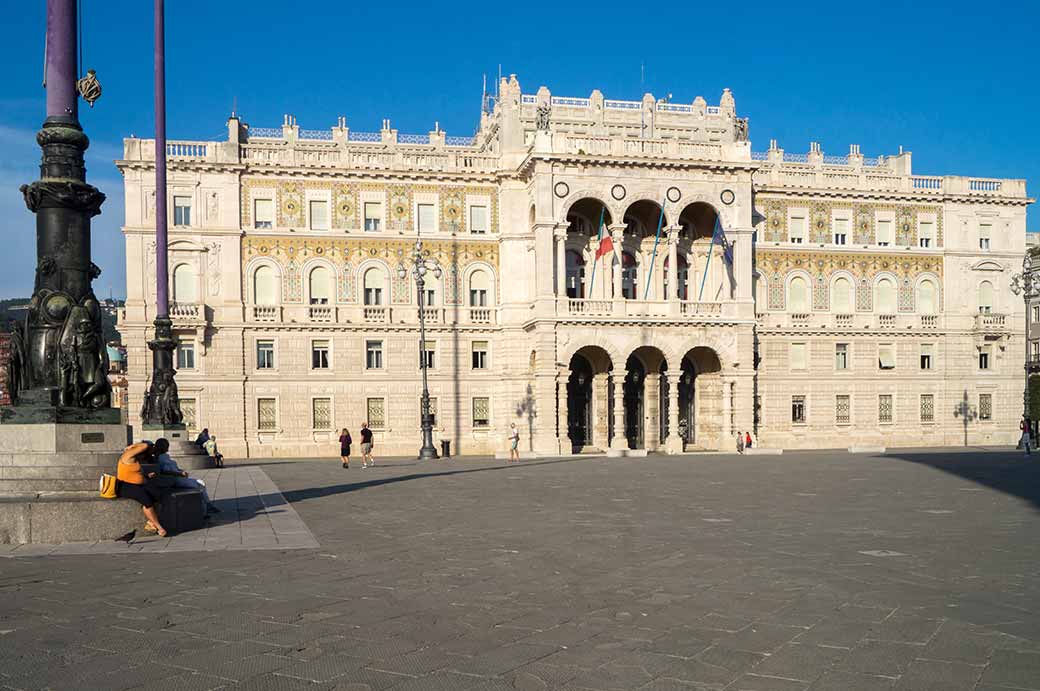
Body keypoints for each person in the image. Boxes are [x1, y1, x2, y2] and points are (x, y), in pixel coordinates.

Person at [154, 438, 220, 515]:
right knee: (200, 484)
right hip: (175, 480)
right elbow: (164, 471)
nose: (168, 447)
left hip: (178, 477)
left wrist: (181, 471)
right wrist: (180, 474)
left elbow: (172, 468)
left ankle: (206, 508)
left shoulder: (164, 456)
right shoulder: (161, 458)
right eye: (167, 445)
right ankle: (207, 507)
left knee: (200, 485)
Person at [115, 441, 167, 537]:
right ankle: (159, 527)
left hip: (137, 484)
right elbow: (145, 445)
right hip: (125, 485)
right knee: (145, 499)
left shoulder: (136, 458)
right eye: (149, 451)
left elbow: (134, 472)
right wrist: (132, 446)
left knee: (157, 493)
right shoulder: (128, 454)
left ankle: (151, 522)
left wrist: (147, 475)